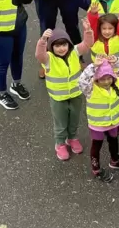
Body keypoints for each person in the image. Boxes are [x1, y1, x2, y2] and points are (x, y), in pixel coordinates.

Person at [35, 23, 94, 160]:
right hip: (58, 98)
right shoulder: (48, 58)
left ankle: (72, 138)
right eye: (57, 46)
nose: (61, 48)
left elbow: (87, 44)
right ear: (51, 47)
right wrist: (43, 40)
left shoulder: (74, 52)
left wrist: (88, 31)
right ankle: (60, 143)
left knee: (74, 119)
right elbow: (39, 54)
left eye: (64, 45)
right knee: (61, 122)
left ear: (69, 44)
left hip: (75, 94)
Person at [78, 55, 119, 182]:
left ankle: (115, 160)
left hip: (114, 121)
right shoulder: (90, 88)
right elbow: (82, 80)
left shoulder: (118, 82)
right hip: (98, 124)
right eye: (102, 79)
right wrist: (94, 66)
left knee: (114, 141)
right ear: (96, 79)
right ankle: (96, 169)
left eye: (109, 78)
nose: (107, 82)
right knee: (96, 145)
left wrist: (117, 61)